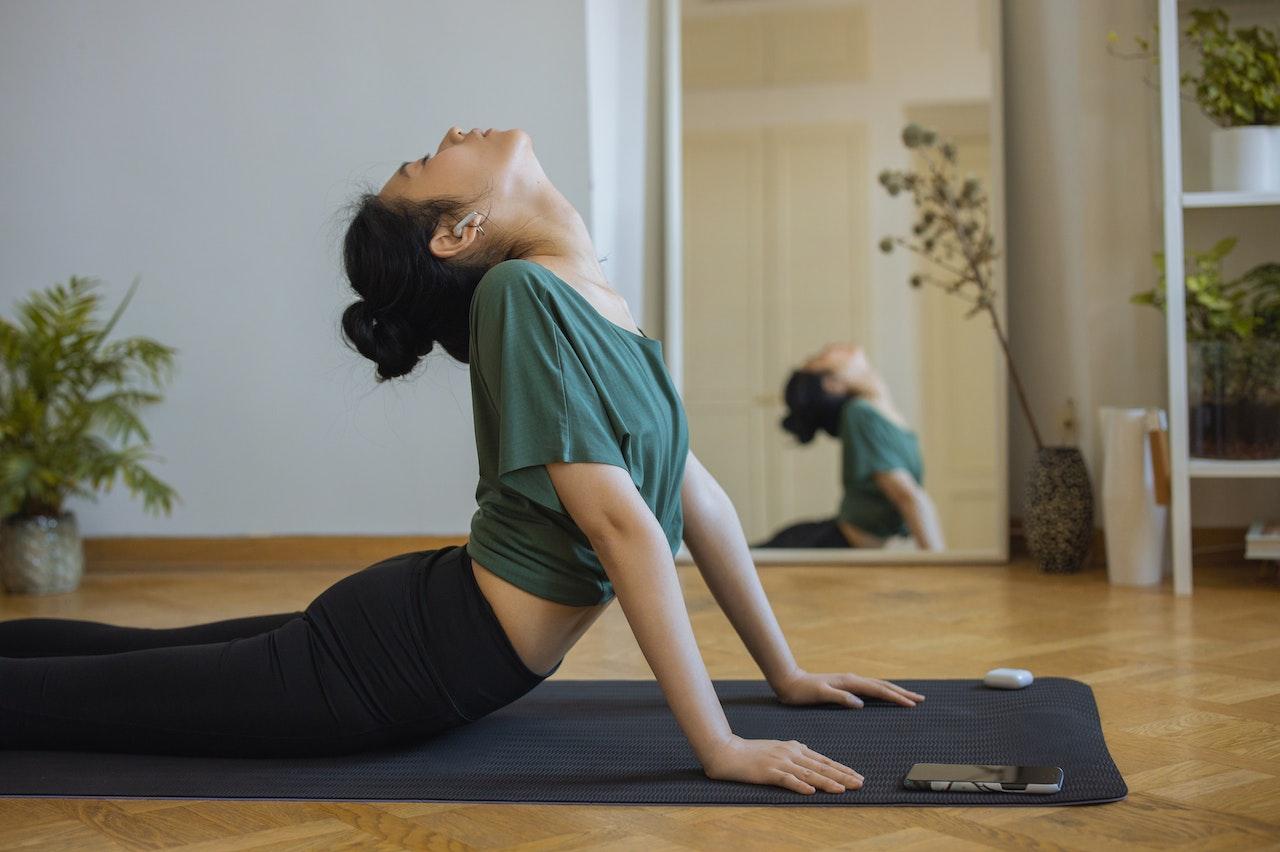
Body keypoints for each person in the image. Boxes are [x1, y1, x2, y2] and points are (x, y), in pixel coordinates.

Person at [0, 127, 924, 796]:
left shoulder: (595, 302)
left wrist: (786, 673)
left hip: (421, 632)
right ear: (457, 231)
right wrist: (717, 743)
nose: (446, 136)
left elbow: (702, 501)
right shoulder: (520, 295)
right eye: (422, 164)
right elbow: (617, 525)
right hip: (394, 661)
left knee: (121, 660)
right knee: (82, 694)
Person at [756, 343, 946, 551]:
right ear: (832, 384)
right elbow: (909, 497)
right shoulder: (860, 413)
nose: (829, 348)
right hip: (832, 546)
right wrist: (942, 568)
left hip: (840, 541)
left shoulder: (881, 414)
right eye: (820, 358)